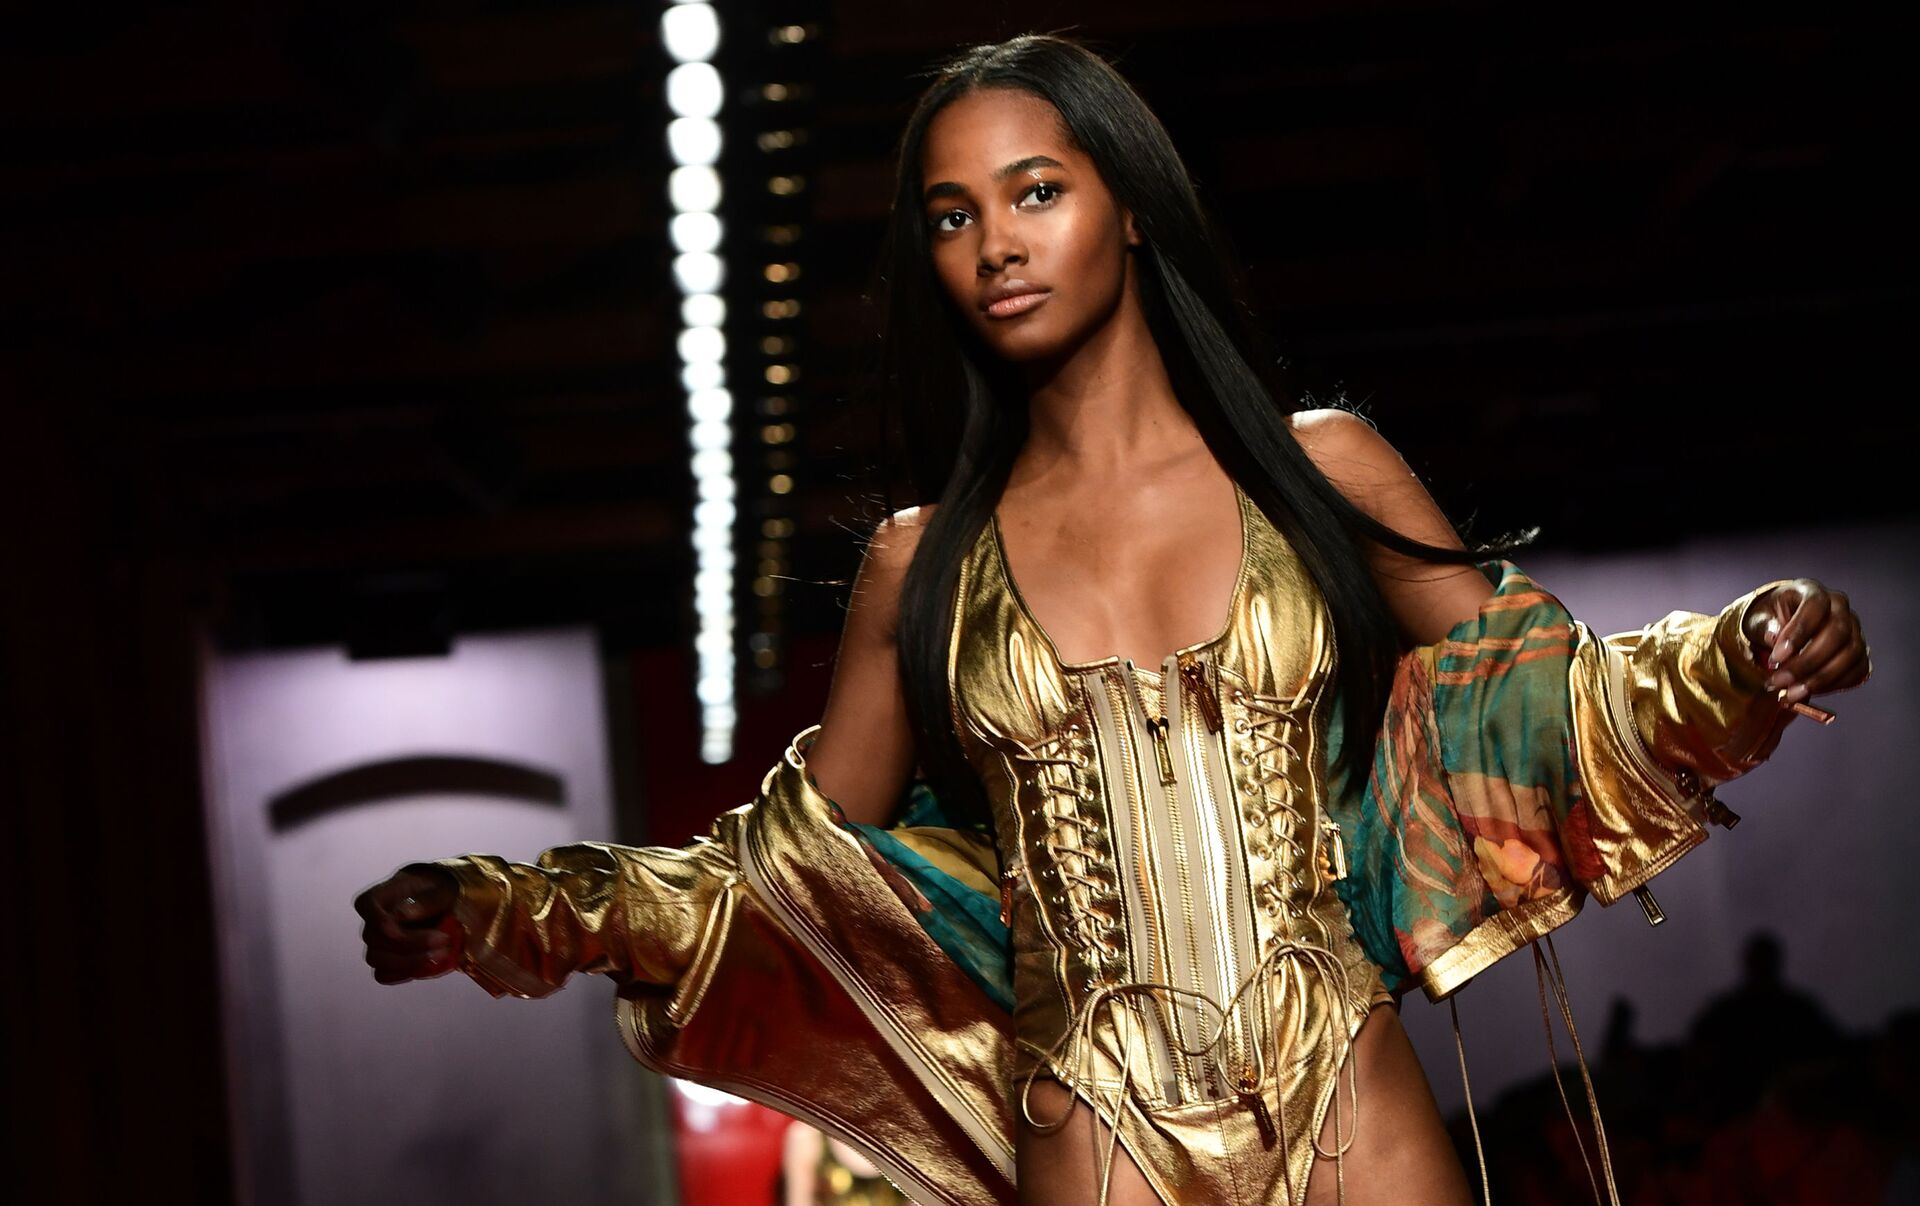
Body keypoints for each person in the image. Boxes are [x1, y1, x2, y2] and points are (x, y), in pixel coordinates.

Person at [354, 35, 1871, 1206]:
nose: (995, 245)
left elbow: (1534, 703)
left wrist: (1743, 656)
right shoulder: (921, 567)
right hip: (1094, 1134)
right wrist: (513, 908)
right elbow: (786, 887)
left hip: (1350, 1100)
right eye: (952, 216)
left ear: (1130, 206)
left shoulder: (1316, 472)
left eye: (1037, 191)